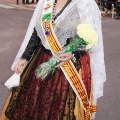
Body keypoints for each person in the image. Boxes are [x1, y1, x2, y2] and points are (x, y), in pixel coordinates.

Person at [0, 0, 106, 119]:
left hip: (67, 67)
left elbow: (90, 35)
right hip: (42, 59)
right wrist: (26, 56)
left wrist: (74, 51)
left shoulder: (85, 3)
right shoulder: (46, 2)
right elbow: (38, 32)